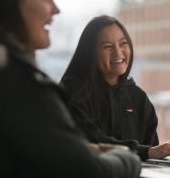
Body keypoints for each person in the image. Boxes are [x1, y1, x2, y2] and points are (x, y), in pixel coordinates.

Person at [0, 0, 141, 177]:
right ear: (9, 3)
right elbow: (89, 171)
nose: (55, 9)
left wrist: (79, 150)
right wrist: (130, 158)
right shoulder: (13, 82)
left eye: (123, 44)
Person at [61, 15, 170, 161]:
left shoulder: (138, 98)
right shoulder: (72, 91)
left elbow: (153, 159)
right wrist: (147, 151)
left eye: (123, 43)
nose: (118, 53)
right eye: (107, 46)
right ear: (90, 52)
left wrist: (153, 152)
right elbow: (90, 139)